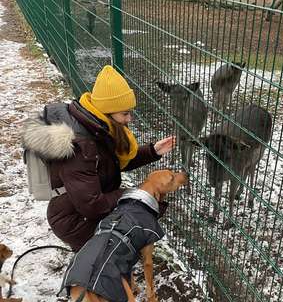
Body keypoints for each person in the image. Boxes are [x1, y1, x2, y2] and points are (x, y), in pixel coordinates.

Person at [22, 65, 175, 252]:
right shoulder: (81, 148)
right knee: (108, 251)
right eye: (125, 114)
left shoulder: (98, 127)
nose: (130, 119)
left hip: (81, 208)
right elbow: (93, 206)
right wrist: (135, 194)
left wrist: (153, 151)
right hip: (75, 221)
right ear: (107, 112)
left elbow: (110, 164)